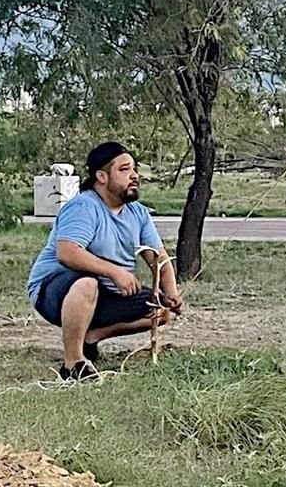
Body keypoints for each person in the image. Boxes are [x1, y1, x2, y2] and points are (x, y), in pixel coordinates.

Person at [27, 141, 184, 381]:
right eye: (124, 170)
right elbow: (67, 252)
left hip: (107, 293)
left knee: (161, 310)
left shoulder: (138, 213)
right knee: (87, 284)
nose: (134, 176)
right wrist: (115, 272)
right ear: (101, 176)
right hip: (53, 291)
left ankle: (92, 336)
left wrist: (171, 292)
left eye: (134, 169)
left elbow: (158, 258)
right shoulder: (83, 207)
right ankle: (73, 364)